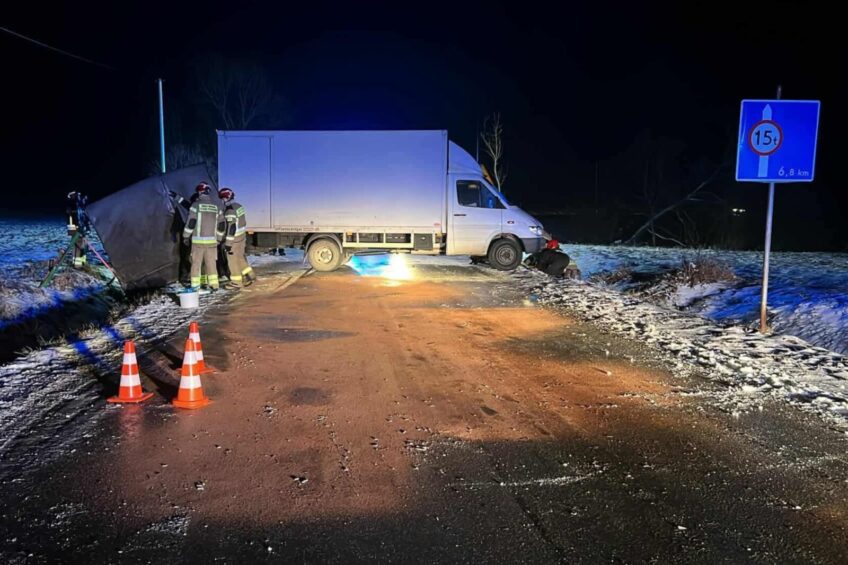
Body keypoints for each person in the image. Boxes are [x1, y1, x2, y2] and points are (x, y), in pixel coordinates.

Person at [182, 182, 225, 290]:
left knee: (196, 264)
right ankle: (214, 285)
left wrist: (186, 236)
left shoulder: (196, 206)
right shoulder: (216, 207)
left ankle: (195, 287)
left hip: (198, 242)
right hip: (212, 243)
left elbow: (191, 222)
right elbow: (221, 225)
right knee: (211, 264)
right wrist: (219, 239)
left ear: (200, 192)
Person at [218, 187, 255, 288]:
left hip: (233, 240)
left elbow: (232, 227)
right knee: (240, 257)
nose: (222, 201)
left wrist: (228, 244)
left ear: (225, 199)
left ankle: (236, 282)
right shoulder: (239, 206)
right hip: (241, 238)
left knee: (232, 261)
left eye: (222, 199)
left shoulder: (230, 211)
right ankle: (250, 275)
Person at [66, 191, 88, 269]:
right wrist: (73, 232)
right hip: (76, 229)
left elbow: (84, 217)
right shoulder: (72, 205)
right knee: (77, 245)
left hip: (81, 229)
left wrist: (85, 228)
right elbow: (70, 219)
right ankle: (77, 264)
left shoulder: (80, 205)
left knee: (83, 245)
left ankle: (82, 263)